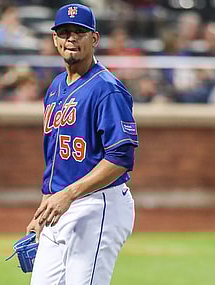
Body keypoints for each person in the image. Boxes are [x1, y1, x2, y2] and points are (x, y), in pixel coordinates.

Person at [26, 4, 139, 285]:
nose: (71, 39)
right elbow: (55, 156)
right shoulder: (55, 87)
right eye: (64, 33)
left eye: (79, 32)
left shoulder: (107, 89)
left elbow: (121, 157)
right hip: (61, 204)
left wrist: (69, 194)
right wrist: (44, 207)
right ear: (55, 40)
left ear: (95, 39)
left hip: (98, 203)